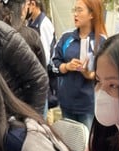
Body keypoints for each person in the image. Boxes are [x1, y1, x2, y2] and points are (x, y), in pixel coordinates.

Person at [51, 0, 107, 129]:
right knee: (69, 144)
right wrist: (66, 67)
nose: (75, 14)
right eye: (74, 10)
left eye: (79, 10)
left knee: (86, 145)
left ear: (91, 14)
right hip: (66, 102)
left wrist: (90, 74)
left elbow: (107, 74)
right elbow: (52, 64)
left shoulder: (102, 41)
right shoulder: (66, 38)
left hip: (89, 105)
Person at [26, 0, 55, 65]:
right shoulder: (29, 22)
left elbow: (46, 55)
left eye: (27, 4)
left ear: (33, 4)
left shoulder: (44, 24)